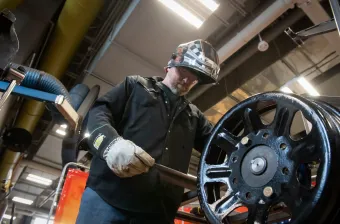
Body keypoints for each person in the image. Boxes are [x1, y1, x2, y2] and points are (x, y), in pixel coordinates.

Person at [76, 39, 220, 224]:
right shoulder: (135, 87)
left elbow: (218, 146)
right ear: (170, 65)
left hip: (156, 214)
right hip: (107, 200)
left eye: (195, 77)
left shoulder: (194, 117)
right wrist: (110, 144)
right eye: (184, 71)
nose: (187, 80)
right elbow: (98, 112)